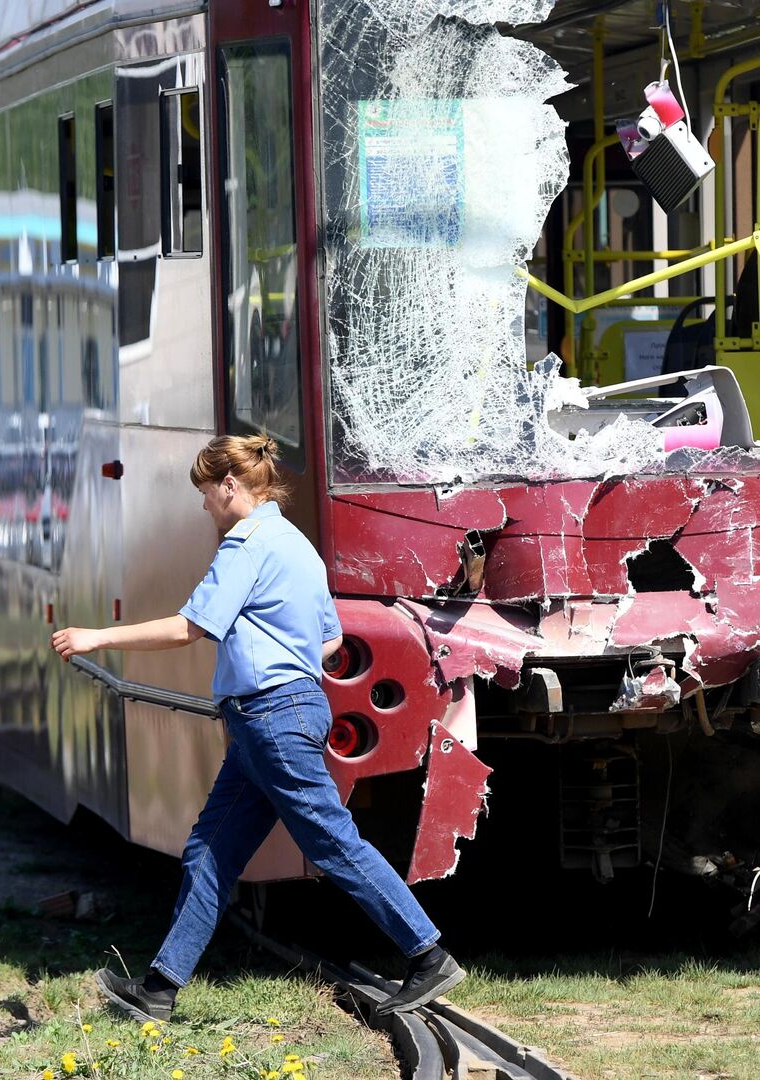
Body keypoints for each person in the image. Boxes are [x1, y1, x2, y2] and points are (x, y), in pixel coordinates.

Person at [50, 433, 463, 1023]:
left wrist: (98, 637)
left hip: (272, 717)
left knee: (331, 842)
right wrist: (276, 650)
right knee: (210, 852)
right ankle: (160, 990)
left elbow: (193, 627)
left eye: (205, 495)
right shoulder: (299, 547)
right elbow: (331, 641)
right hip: (272, 717)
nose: (204, 508)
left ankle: (428, 954)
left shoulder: (245, 546)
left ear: (229, 486)